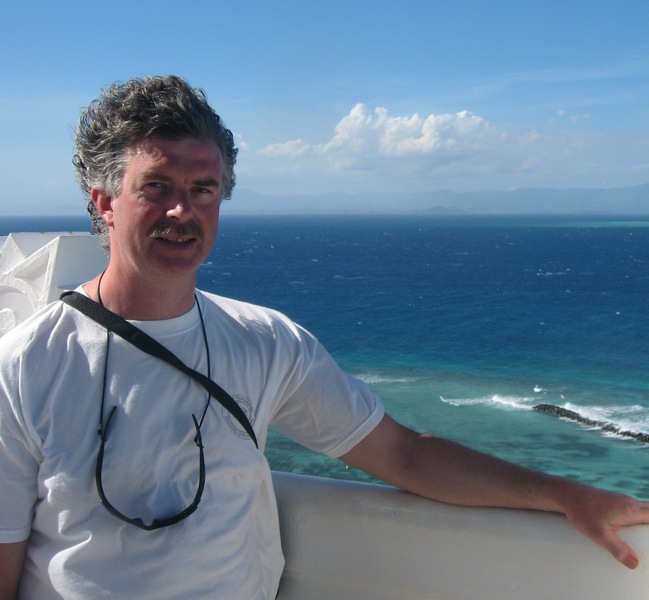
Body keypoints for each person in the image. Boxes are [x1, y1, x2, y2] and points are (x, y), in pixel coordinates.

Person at [1, 75, 648, 600]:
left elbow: (405, 456)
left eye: (203, 190)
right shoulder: (24, 366)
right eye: (157, 188)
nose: (182, 211)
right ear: (104, 202)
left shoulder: (265, 342)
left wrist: (564, 493)